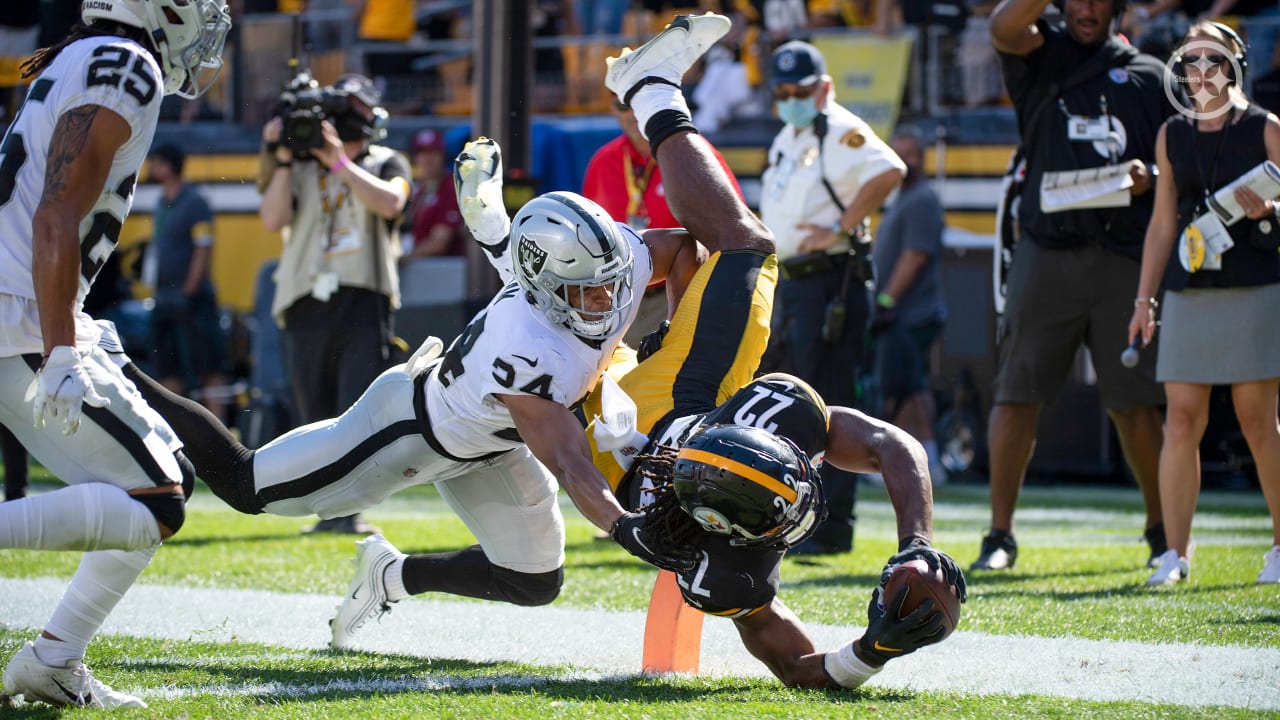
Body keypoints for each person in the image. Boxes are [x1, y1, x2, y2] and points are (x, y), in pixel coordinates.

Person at [334, 14, 967, 689]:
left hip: (656, 410)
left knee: (708, 267)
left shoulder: (749, 463)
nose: (800, 504)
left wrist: (913, 557)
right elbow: (796, 662)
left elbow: (893, 450)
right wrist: (867, 651)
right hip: (642, 413)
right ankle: (642, 100)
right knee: (737, 251)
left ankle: (514, 237)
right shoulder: (723, 553)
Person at [113, 156, 707, 643]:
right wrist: (625, 528)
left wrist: (670, 336)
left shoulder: (619, 258)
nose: (608, 298)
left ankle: (390, 575)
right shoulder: (525, 345)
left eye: (612, 281)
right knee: (246, 488)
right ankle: (118, 368)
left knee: (533, 581)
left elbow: (684, 249)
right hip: (410, 429)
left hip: (493, 445)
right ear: (542, 283)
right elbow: (572, 463)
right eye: (587, 288)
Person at [0, 0, 231, 709]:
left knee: (167, 481)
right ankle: (53, 657)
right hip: (21, 318)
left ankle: (55, 660)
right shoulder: (128, 65)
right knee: (155, 500)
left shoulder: (85, 57)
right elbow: (54, 214)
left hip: (25, 309)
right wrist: (64, 346)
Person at [976, 0, 1174, 571]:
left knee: (1136, 404)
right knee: (1016, 394)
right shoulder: (1040, 51)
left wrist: (1151, 177)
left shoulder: (1151, 76)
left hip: (1122, 257)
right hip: (1048, 250)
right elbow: (1001, 26)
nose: (1088, 8)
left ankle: (1161, 531)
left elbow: (1179, 163)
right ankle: (999, 536)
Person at [1128, 21, 1280, 585]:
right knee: (1181, 420)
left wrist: (1272, 212)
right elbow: (1163, 223)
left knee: (1258, 421)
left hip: (1257, 285)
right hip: (1190, 288)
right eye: (1190, 61)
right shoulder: (1172, 133)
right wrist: (1145, 298)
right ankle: (1174, 554)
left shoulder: (1267, 128)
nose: (1201, 72)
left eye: (1213, 59)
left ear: (1236, 62)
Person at [759, 39, 906, 556]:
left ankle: (832, 525)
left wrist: (841, 227)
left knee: (827, 407)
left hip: (830, 282)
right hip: (795, 284)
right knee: (794, 401)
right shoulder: (788, 135)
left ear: (824, 87)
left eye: (801, 89)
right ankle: (799, 516)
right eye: (783, 90)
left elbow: (890, 169)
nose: (792, 97)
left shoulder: (840, 128)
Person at [259, 72, 410, 536]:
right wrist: (283, 156)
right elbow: (272, 219)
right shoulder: (299, 164)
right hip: (305, 299)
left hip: (364, 300)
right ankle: (326, 511)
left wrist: (340, 162)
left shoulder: (387, 162)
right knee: (314, 413)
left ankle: (351, 511)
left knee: (356, 412)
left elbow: (390, 204)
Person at [581, 95, 743, 347]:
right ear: (613, 109)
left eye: (640, 103)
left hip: (680, 296)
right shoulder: (603, 161)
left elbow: (734, 228)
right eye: (624, 106)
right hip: (617, 300)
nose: (633, 113)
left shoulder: (695, 154)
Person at [870, 128, 948, 486]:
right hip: (902, 312)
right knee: (912, 388)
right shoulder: (904, 195)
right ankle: (924, 458)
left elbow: (915, 256)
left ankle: (911, 460)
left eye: (912, 154)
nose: (905, 161)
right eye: (898, 153)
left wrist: (887, 299)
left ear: (923, 158)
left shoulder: (921, 199)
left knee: (905, 387)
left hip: (911, 312)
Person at [143, 142, 230, 422]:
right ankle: (177, 432)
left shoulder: (195, 201)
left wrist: (190, 288)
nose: (152, 167)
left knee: (208, 367)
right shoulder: (160, 201)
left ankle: (220, 435)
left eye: (157, 161)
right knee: (167, 368)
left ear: (170, 165)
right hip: (165, 299)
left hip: (194, 300)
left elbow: (204, 246)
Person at [400, 128, 465, 264]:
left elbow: (439, 243)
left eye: (434, 153)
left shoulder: (452, 187)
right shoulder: (420, 190)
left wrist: (403, 258)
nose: (427, 159)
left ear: (444, 156)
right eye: (422, 153)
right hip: (425, 271)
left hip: (448, 273)